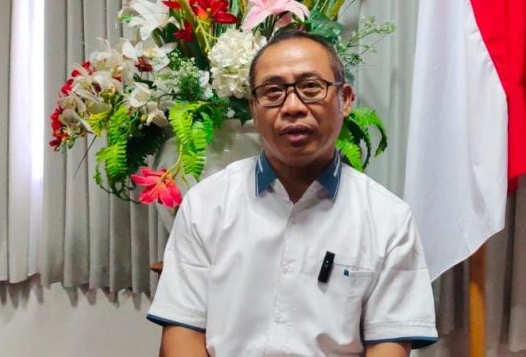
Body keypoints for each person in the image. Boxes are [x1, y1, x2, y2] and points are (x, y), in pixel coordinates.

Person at [147, 30, 438, 356]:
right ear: (253, 107)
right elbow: (183, 332)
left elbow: (389, 345)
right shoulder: (206, 204)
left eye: (311, 87)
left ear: (345, 99)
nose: (293, 107)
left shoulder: (388, 219)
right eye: (273, 91)